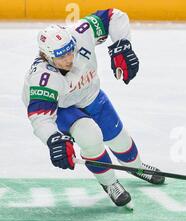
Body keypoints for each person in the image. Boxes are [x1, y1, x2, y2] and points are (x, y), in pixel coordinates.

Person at [22, 8, 165, 209]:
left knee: (120, 140)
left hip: (92, 96)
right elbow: (40, 117)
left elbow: (114, 15)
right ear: (46, 56)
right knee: (90, 137)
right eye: (61, 56)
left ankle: (136, 167)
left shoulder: (80, 32)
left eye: (70, 50)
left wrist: (122, 45)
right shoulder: (42, 79)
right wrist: (54, 140)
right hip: (64, 108)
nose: (69, 59)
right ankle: (110, 183)